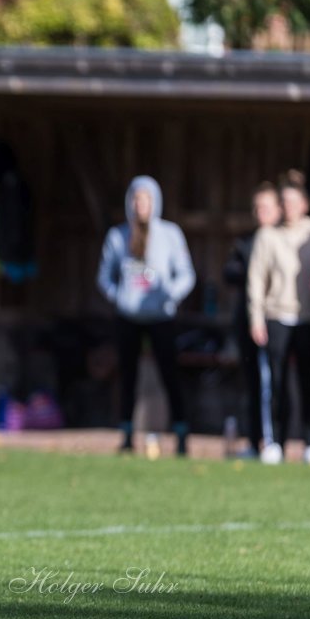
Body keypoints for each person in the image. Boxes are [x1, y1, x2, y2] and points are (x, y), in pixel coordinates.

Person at [96, 175, 195, 456]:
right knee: (127, 376)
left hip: (160, 316)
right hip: (128, 317)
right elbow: (104, 277)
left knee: (169, 375)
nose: (141, 204)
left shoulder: (170, 235)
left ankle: (180, 433)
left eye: (146, 199)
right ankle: (127, 434)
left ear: (155, 202)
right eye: (136, 199)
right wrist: (120, 298)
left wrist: (169, 296)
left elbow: (186, 275)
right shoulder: (118, 236)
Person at [247, 169, 310, 466]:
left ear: (305, 204)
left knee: (309, 384)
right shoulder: (267, 236)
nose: (290, 207)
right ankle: (275, 442)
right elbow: (256, 280)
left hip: (308, 318)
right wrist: (256, 317)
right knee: (277, 383)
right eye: (285, 201)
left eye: (296, 201)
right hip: (276, 317)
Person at [222, 183, 280, 457]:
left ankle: (277, 442)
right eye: (257, 208)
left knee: (275, 384)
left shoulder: (284, 239)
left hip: (279, 320)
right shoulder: (246, 242)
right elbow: (229, 273)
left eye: (266, 207)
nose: (261, 213)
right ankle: (253, 440)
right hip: (247, 322)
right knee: (252, 383)